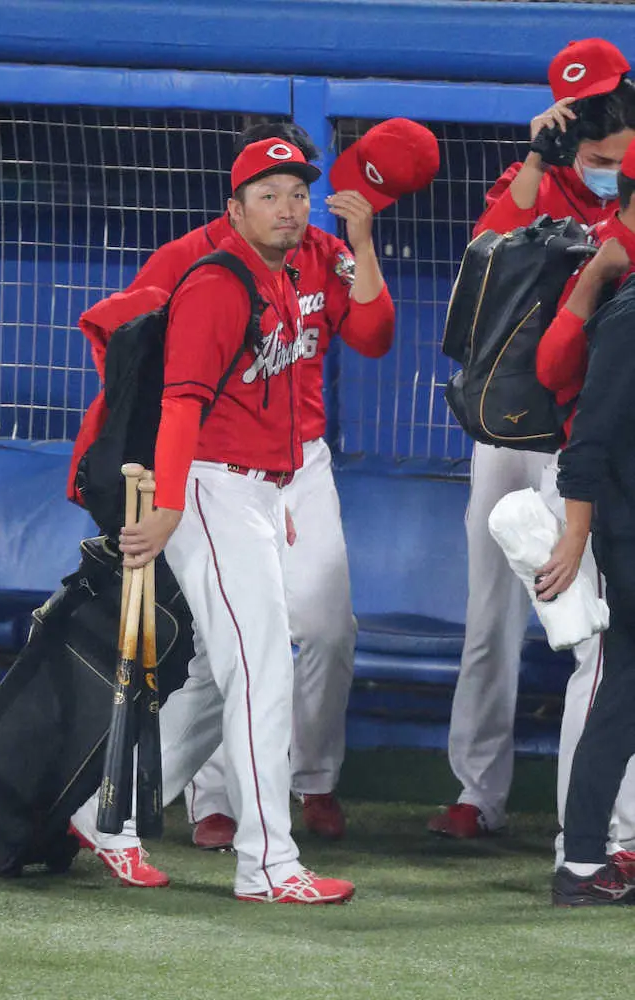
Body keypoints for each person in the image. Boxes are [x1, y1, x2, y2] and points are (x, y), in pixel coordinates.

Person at [72, 117, 438, 871]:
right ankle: (262, 854)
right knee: (256, 659)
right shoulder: (203, 268)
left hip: (293, 471)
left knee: (244, 657)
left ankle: (106, 817)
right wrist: (160, 492)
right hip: (217, 478)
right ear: (236, 204)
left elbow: (372, 335)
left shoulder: (314, 257)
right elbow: (149, 372)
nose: (289, 204)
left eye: (298, 189)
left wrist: (363, 243)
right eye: (269, 191)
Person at [428, 37, 635, 840]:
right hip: (511, 428)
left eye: (616, 151)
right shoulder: (541, 179)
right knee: (490, 621)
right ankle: (477, 793)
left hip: (581, 439)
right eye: (591, 150)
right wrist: (533, 161)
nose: (606, 163)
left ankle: (597, 833)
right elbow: (489, 250)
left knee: (595, 636)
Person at [536, 141, 635, 870]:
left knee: (620, 700)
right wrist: (576, 539)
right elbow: (587, 443)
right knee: (616, 697)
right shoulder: (627, 312)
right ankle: (583, 859)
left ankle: (588, 858)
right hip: (623, 530)